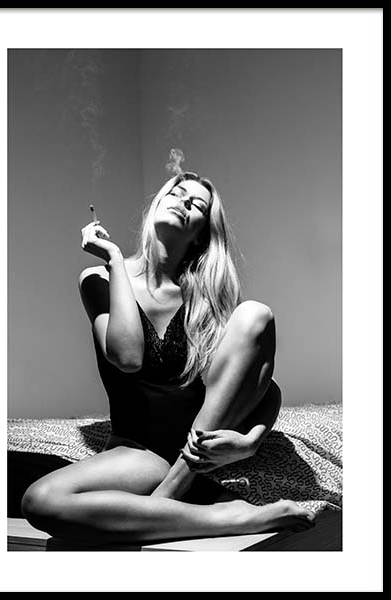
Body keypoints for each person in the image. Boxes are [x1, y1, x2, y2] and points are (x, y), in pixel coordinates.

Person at [21, 171, 315, 545]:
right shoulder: (98, 279)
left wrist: (251, 441)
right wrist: (115, 260)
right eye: (176, 192)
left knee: (255, 313)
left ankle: (175, 490)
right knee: (40, 501)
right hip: (139, 451)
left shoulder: (207, 297)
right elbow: (127, 356)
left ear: (201, 233)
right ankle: (229, 516)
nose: (184, 201)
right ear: (157, 204)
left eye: (197, 204)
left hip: (197, 450)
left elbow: (263, 387)